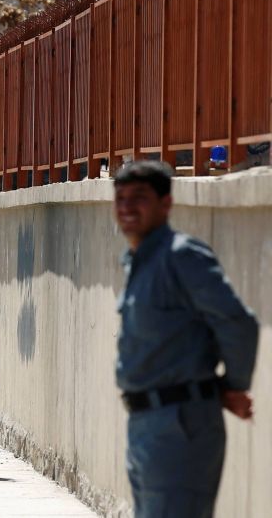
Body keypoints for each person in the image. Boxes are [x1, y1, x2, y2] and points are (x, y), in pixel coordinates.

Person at [114, 160, 258, 518]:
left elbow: (237, 322)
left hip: (179, 424)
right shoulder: (138, 260)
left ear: (166, 203)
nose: (127, 207)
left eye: (140, 197)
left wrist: (234, 386)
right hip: (144, 423)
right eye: (121, 197)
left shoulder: (181, 255)